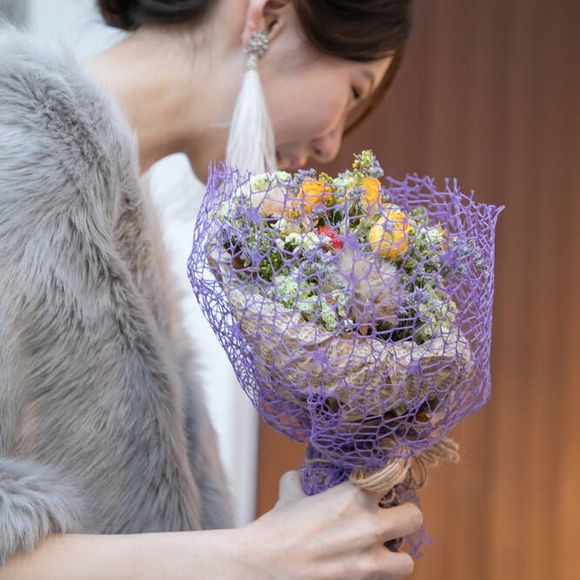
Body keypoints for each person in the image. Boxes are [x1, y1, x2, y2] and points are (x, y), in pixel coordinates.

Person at [0, 0, 423, 578]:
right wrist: (256, 557)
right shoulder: (17, 159)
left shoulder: (120, 223)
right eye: (355, 90)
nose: (331, 145)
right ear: (269, 16)